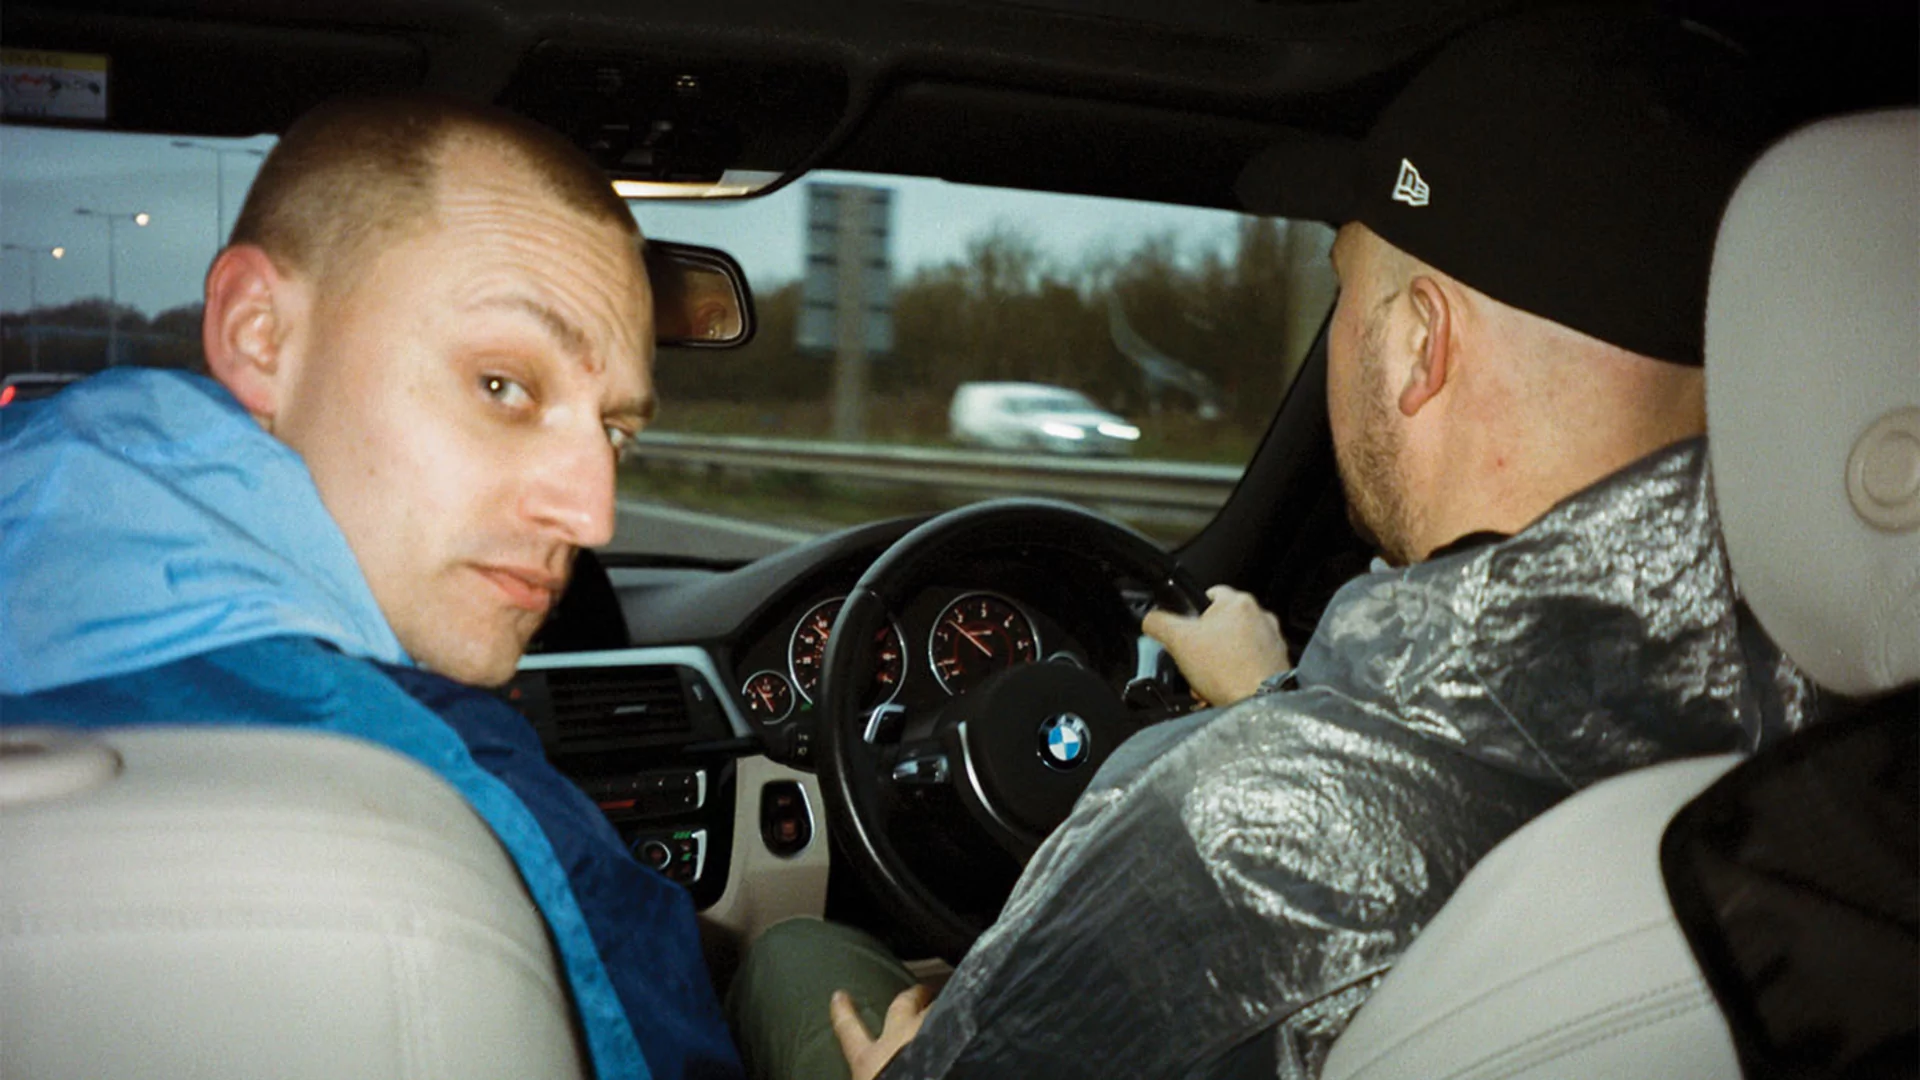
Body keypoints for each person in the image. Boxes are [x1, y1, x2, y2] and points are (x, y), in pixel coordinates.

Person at [726, 9, 1818, 1080]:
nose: (1334, 330)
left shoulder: (1233, 825)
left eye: (1346, 288)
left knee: (790, 955)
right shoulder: (1840, 734)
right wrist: (1275, 701)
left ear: (1419, 345)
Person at [0, 95, 742, 1080]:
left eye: (613, 432)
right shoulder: (449, 777)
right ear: (260, 331)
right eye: (502, 385)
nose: (592, 516)